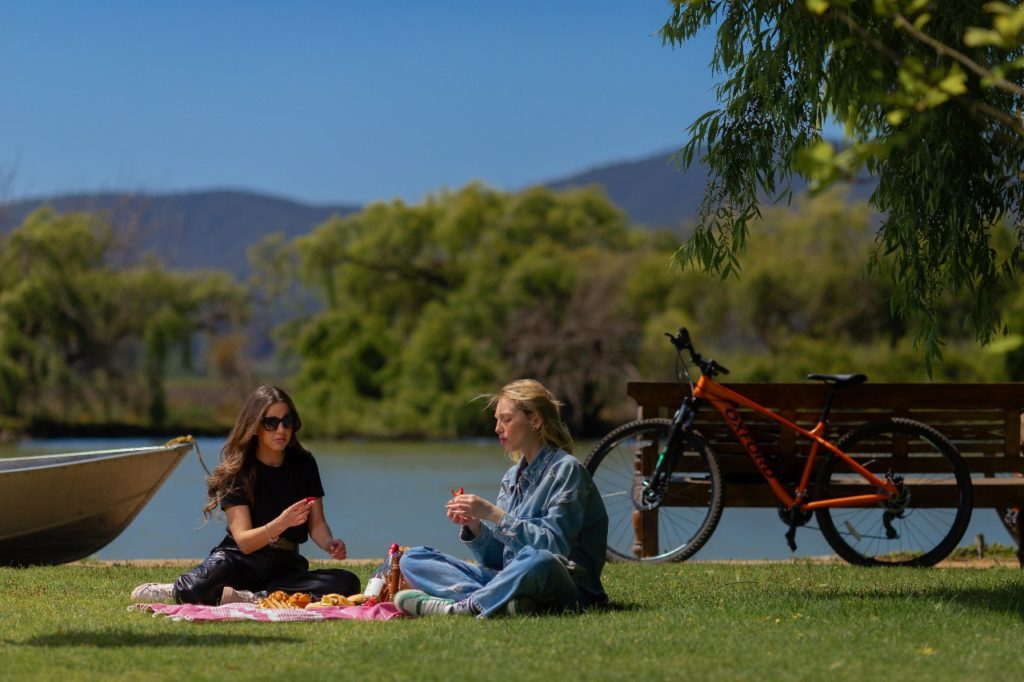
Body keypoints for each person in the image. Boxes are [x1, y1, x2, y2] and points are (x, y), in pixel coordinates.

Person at [393, 379, 608, 617]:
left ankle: (464, 607)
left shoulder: (567, 470)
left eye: (506, 419)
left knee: (538, 559)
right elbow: (501, 561)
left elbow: (553, 549)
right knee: (413, 558)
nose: (497, 428)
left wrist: (493, 513)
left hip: (568, 586)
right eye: (497, 420)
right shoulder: (511, 477)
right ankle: (510, 602)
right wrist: (474, 526)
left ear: (535, 420)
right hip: (512, 577)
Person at [130, 385, 360, 605]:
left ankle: (254, 596)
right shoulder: (238, 469)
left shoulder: (304, 463)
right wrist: (282, 523)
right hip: (238, 561)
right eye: (271, 423)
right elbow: (245, 542)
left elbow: (317, 524)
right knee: (192, 590)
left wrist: (330, 544)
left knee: (347, 583)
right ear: (255, 426)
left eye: (287, 421)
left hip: (285, 568)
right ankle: (174, 589)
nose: (281, 429)